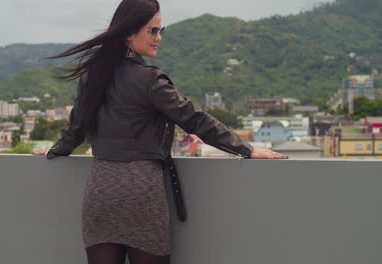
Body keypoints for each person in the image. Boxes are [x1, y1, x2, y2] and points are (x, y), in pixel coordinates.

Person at [34, 0, 288, 263]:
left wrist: (56, 150)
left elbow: (76, 127)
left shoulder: (92, 76)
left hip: (101, 194)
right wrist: (247, 149)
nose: (159, 38)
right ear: (129, 33)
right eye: (152, 31)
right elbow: (194, 119)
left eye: (160, 30)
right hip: (142, 194)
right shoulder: (150, 80)